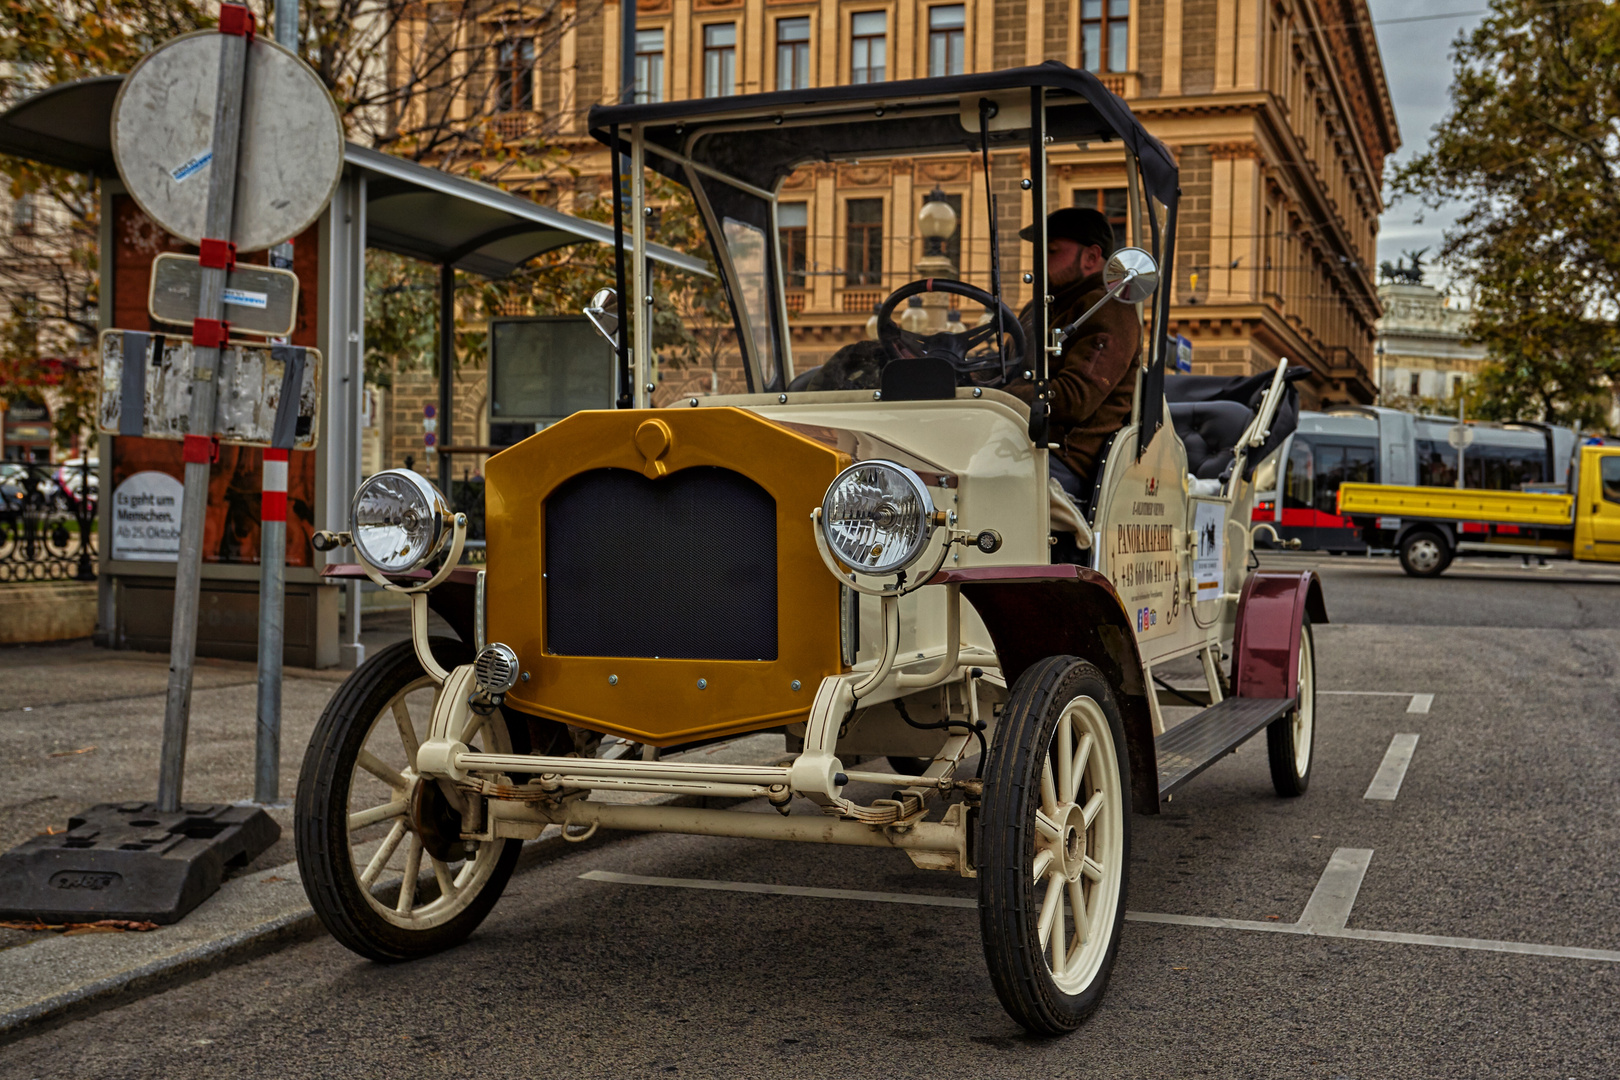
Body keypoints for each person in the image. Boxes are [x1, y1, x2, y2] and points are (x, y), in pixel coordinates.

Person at [1009, 206, 1141, 505]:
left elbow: (1073, 399)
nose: (1039, 262)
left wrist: (997, 395)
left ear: (1092, 257)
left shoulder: (1108, 308)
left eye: (1052, 251)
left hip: (1064, 459)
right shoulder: (1040, 308)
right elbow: (1005, 367)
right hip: (1021, 442)